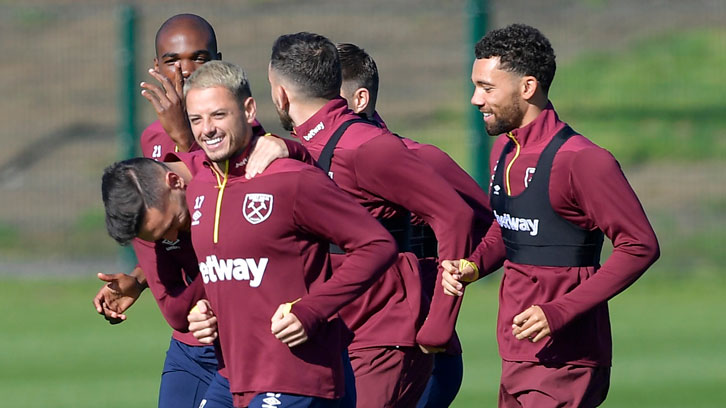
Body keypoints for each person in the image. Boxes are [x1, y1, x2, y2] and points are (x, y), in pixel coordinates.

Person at [441, 23, 660, 407]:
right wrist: (472, 266)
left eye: (487, 88)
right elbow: (507, 229)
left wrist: (560, 311)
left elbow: (639, 246)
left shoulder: (583, 161)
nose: (475, 99)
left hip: (566, 360)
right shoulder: (504, 152)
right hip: (516, 355)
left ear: (527, 88)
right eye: (475, 86)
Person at [267, 32, 476, 407]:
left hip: (381, 336)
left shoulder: (368, 147)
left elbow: (458, 216)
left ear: (279, 94)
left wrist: (441, 318)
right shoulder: (294, 151)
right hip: (329, 329)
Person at [92, 14, 290, 408]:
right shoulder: (150, 141)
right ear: (155, 66)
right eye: (172, 60)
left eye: (199, 58)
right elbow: (172, 230)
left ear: (217, 61)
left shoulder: (243, 136)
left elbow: (234, 221)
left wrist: (186, 139)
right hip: (189, 343)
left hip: (243, 336)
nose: (184, 72)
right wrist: (141, 277)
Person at [180, 60, 396, 408]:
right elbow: (230, 270)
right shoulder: (201, 187)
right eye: (196, 119)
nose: (207, 129)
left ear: (248, 109)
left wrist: (311, 310)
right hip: (232, 377)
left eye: (218, 115)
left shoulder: (289, 179)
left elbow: (377, 245)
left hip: (296, 376)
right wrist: (205, 309)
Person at [336, 42, 499, 408]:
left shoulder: (420, 159)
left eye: (329, 99)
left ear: (359, 100)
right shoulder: (314, 166)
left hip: (419, 353)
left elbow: (497, 228)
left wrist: (451, 285)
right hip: (350, 344)